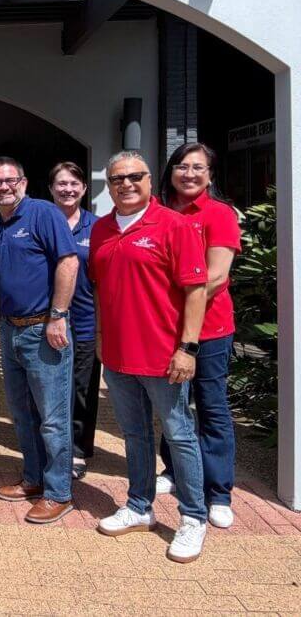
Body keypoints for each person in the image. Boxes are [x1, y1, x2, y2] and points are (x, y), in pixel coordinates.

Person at [90, 151, 209, 563]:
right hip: (120, 356)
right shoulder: (102, 230)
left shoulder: (174, 226)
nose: (125, 184)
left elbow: (196, 291)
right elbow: (102, 290)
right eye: (116, 179)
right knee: (134, 434)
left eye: (134, 176)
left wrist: (188, 347)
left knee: (179, 435)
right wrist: (103, 337)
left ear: (149, 180)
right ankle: (139, 506)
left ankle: (194, 517)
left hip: (164, 356)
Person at [0, 156, 78, 524]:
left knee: (53, 418)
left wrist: (58, 315)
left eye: (10, 180)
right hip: (9, 330)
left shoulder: (43, 214)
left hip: (43, 328)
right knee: (23, 413)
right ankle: (34, 478)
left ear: (23, 182)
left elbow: (68, 262)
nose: (4, 187)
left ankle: (59, 492)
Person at [155, 143, 242, 529]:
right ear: (171, 170)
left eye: (197, 168)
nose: (189, 174)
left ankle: (219, 491)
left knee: (211, 405)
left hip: (210, 329)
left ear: (209, 174)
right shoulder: (156, 211)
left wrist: (175, 304)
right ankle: (173, 468)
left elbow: (217, 275)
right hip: (164, 328)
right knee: (173, 402)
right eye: (182, 166)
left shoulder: (219, 214)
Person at [48, 161, 99, 479]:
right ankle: (52, 446)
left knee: (82, 388)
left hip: (85, 320)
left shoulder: (98, 227)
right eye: (61, 183)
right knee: (49, 386)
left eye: (74, 183)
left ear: (83, 188)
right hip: (48, 319)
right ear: (50, 188)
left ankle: (78, 450)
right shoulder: (43, 220)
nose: (67, 189)